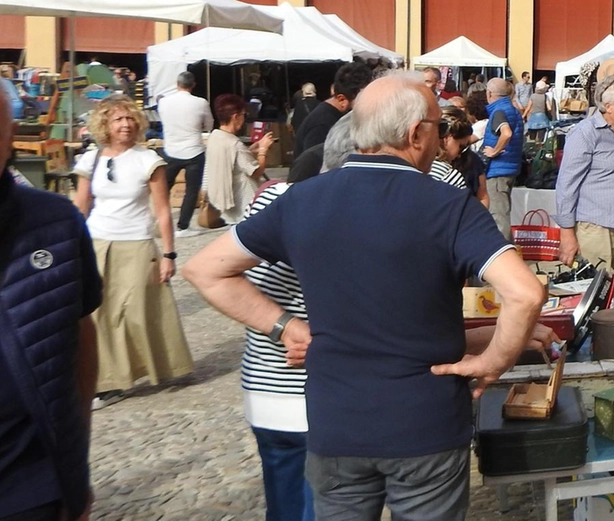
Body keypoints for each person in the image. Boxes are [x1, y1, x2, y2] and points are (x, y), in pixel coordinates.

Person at [185, 72, 546, 520]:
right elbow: (526, 293)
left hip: (337, 424)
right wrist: (494, 362)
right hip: (425, 424)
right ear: (415, 133)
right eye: (437, 127)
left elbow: (204, 269)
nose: (442, 139)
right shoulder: (448, 204)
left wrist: (285, 327)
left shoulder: (301, 200)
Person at [237, 116, 356, 521]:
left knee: (285, 504)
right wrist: (286, 325)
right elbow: (206, 270)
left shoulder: (278, 197)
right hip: (312, 388)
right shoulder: (335, 210)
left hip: (266, 384)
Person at [0, 82, 103, 521]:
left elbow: (80, 334)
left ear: (8, 136)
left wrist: (72, 464)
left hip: (30, 481)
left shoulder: (55, 222)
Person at [71, 94, 194, 407]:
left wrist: (168, 254)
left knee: (133, 313)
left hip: (137, 244)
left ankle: (158, 366)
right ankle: (109, 382)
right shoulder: (91, 159)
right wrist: (69, 244)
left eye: (129, 119)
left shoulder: (148, 160)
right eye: (117, 119)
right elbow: (81, 205)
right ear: (105, 125)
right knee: (99, 314)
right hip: (97, 243)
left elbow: (163, 210)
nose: (125, 125)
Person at [554, 78, 614, 271]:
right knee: (597, 290)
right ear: (609, 107)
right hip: (596, 229)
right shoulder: (585, 134)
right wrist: (567, 234)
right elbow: (566, 185)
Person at [203, 94, 275, 227]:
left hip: (224, 200)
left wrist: (252, 149)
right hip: (243, 201)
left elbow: (232, 158)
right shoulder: (235, 144)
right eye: (243, 114)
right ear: (235, 117)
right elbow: (256, 171)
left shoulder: (215, 137)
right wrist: (263, 150)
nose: (244, 119)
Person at [157, 72, 213, 238]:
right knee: (191, 190)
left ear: (177, 84)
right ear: (193, 85)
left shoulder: (164, 102)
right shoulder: (201, 102)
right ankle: (183, 226)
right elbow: (209, 124)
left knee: (164, 188)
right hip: (194, 150)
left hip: (171, 149)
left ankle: (159, 221)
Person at [292, 61, 375, 158]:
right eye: (364, 99)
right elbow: (313, 162)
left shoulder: (331, 116)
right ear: (342, 100)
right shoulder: (322, 124)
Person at [480, 77, 525, 233]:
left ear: (489, 93)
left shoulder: (498, 111)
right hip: (510, 167)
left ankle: (503, 255)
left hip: (498, 170)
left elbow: (506, 133)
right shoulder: (513, 109)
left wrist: (495, 151)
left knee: (499, 217)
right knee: (502, 213)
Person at [439, 110, 488, 208]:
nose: (460, 154)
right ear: (447, 138)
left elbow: (482, 195)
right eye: (461, 146)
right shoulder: (447, 175)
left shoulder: (472, 161)